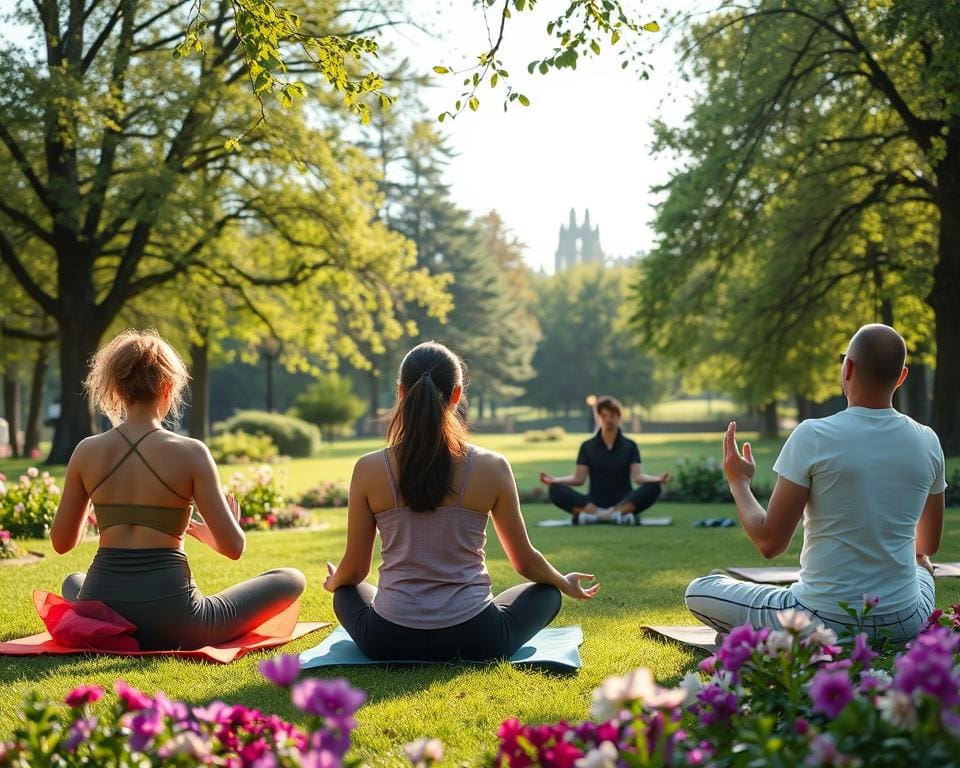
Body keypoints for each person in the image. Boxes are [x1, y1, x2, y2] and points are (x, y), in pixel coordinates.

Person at [324, 341, 598, 662]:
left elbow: (354, 570)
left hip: (388, 638)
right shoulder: (491, 466)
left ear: (401, 392)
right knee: (547, 594)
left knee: (347, 593)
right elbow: (524, 562)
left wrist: (335, 583)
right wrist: (562, 582)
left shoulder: (368, 468)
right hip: (477, 637)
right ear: (456, 396)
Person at [685, 324, 946, 642]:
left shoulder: (813, 435)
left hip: (820, 622)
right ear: (902, 376)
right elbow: (927, 545)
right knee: (921, 564)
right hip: (904, 621)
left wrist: (738, 482)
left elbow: (770, 543)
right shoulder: (928, 440)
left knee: (699, 590)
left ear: (847, 368)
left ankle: (768, 633)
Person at [50, 329, 305, 650]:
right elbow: (234, 548)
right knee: (291, 578)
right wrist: (215, 537)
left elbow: (61, 543)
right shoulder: (191, 452)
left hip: (103, 614)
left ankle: (113, 620)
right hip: (179, 622)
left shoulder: (86, 451)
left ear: (115, 388)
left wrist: (104, 501)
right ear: (168, 388)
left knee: (74, 582)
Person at [539, 395, 670, 525]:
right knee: (555, 489)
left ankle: (602, 515)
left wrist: (657, 479)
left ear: (619, 417)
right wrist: (554, 480)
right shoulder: (587, 446)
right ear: (599, 418)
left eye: (612, 415)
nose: (608, 419)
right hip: (594, 502)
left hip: (624, 501)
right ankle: (610, 515)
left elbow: (638, 477)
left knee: (654, 487)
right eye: (604, 416)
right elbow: (578, 479)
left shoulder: (630, 446)